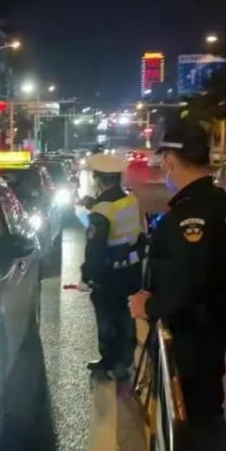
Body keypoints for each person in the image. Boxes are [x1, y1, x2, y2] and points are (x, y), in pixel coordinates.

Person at [128, 121, 226, 451]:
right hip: (210, 331)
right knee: (204, 418)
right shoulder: (221, 204)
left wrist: (149, 306)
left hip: (193, 337)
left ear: (173, 160)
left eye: (164, 161)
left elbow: (188, 285)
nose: (163, 169)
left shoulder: (191, 215)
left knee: (193, 423)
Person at [81, 153, 144, 380]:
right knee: (126, 316)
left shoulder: (101, 212)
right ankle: (125, 361)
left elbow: (95, 249)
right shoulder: (130, 200)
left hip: (109, 275)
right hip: (132, 271)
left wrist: (88, 275)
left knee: (107, 318)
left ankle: (110, 361)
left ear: (98, 179)